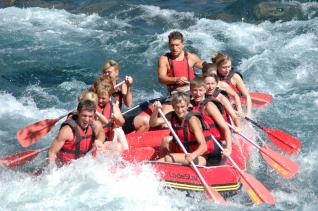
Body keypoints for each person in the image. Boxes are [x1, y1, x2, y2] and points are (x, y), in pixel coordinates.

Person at [149, 92, 230, 166]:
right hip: (185, 152)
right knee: (166, 140)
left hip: (201, 157)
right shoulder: (172, 115)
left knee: (169, 158)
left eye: (182, 107)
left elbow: (204, 146)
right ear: (173, 107)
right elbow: (153, 123)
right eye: (177, 107)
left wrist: (193, 155)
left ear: (187, 105)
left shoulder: (192, 120)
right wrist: (156, 110)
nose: (180, 110)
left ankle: (156, 166)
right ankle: (167, 169)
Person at [157, 31, 205, 114]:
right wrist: (176, 79)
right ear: (169, 45)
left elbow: (205, 66)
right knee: (164, 115)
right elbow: (161, 78)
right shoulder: (164, 59)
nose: (174, 48)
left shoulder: (191, 57)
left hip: (193, 91)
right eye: (172, 45)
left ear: (183, 44)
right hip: (176, 94)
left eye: (177, 45)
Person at [48, 100, 105, 168]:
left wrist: (100, 141)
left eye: (90, 116)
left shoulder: (95, 124)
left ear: (94, 115)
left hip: (84, 166)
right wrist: (52, 173)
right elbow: (52, 152)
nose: (87, 120)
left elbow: (101, 132)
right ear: (78, 113)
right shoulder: (67, 130)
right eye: (84, 115)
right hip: (65, 169)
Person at [189, 77, 232, 150]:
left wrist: (229, 149)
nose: (198, 93)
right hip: (199, 142)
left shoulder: (209, 106)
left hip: (214, 143)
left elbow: (225, 128)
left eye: (200, 90)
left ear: (205, 90)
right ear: (190, 91)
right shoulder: (190, 106)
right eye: (194, 90)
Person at [212, 52, 252, 117]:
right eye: (224, 67)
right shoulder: (212, 78)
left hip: (237, 107)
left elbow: (247, 96)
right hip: (223, 108)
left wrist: (248, 114)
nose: (227, 70)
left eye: (229, 67)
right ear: (217, 67)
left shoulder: (235, 77)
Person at [95, 83, 129, 151]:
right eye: (98, 97)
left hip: (106, 139)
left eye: (103, 98)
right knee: (118, 147)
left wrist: (117, 119)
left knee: (118, 129)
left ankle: (126, 150)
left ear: (109, 96)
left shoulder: (113, 107)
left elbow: (122, 122)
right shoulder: (91, 106)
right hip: (95, 141)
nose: (100, 100)